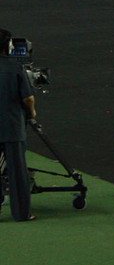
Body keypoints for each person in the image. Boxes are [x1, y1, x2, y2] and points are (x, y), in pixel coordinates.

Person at [0, 28, 36, 222]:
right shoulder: (15, 67)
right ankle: (21, 213)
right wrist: (32, 113)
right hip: (12, 127)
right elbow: (28, 98)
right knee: (17, 172)